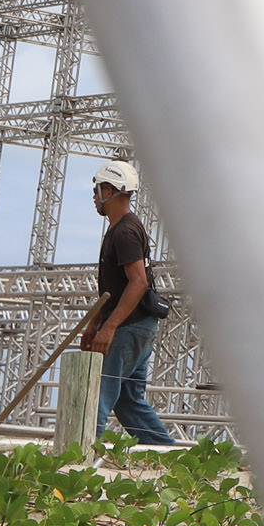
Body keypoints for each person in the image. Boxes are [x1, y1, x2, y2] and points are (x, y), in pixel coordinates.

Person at [85, 159, 176, 447]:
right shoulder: (123, 228)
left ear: (110, 190)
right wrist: (94, 323)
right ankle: (169, 457)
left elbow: (138, 282)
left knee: (97, 394)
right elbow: (115, 289)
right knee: (128, 402)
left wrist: (109, 327)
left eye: (98, 190)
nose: (95, 197)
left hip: (128, 326)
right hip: (136, 324)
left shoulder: (124, 231)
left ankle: (77, 461)